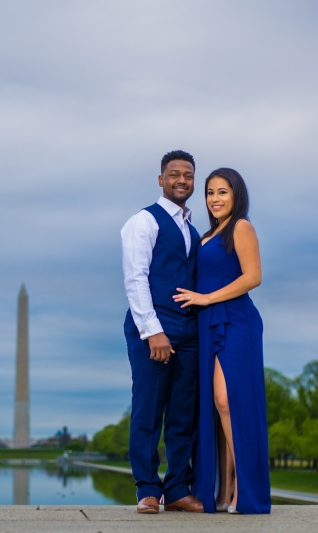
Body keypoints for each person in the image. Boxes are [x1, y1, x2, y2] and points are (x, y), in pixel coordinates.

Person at [173, 168, 271, 514]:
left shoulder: (241, 227)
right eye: (210, 192)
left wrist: (207, 298)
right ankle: (225, 488)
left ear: (237, 195)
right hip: (208, 322)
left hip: (236, 320)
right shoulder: (204, 236)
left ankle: (244, 487)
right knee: (218, 406)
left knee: (228, 401)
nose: (215, 199)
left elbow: (254, 277)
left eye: (222, 192)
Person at [121, 150, 203, 514]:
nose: (181, 180)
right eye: (174, 174)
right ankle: (147, 489)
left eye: (187, 175)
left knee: (184, 413)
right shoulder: (144, 221)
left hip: (189, 330)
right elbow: (135, 277)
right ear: (161, 180)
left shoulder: (193, 229)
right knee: (149, 410)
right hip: (153, 326)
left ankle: (178, 488)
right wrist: (152, 330)